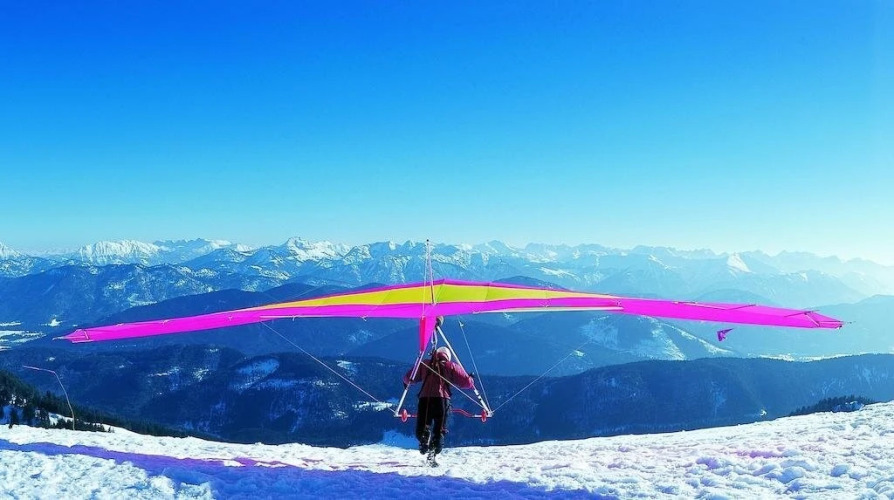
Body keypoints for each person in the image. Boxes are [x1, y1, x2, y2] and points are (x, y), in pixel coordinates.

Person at [403, 345, 475, 460]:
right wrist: (470, 378)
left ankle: (424, 437)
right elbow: (466, 383)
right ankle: (434, 450)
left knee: (423, 426)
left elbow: (408, 377)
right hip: (441, 401)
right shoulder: (451, 366)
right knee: (439, 430)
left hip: (425, 400)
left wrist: (406, 382)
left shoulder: (425, 364)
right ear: (447, 357)